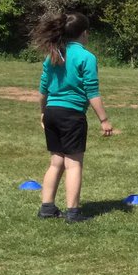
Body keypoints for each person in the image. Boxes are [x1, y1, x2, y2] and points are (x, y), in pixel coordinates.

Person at [32, 11, 114, 222]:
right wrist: (104, 120)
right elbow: (92, 92)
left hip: (51, 112)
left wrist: (43, 112)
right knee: (74, 164)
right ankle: (73, 213)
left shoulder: (52, 54)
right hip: (72, 115)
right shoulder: (86, 57)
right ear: (84, 34)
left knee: (55, 162)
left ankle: (47, 208)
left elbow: (43, 89)